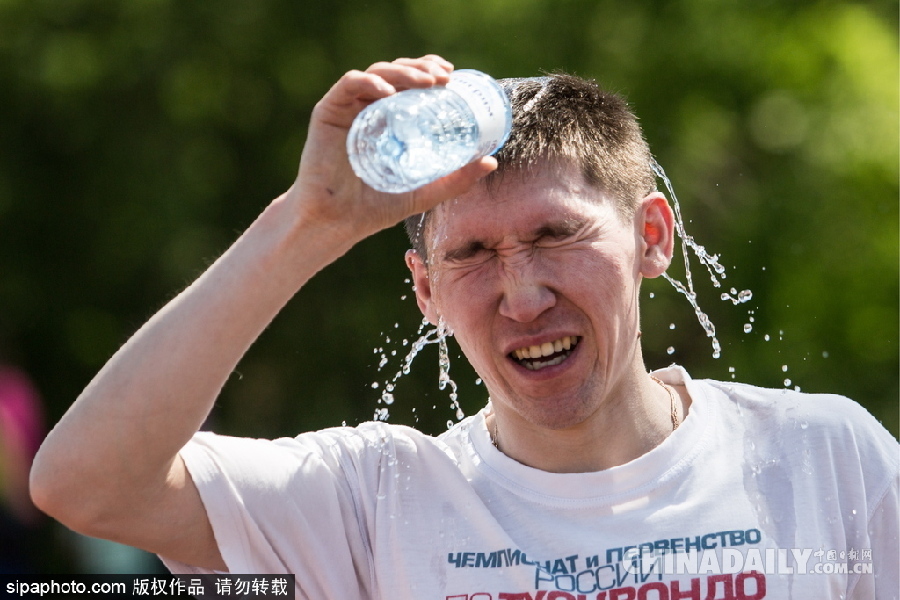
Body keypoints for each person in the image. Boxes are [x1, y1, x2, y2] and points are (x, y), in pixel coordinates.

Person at [30, 55, 898, 599]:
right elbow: (85, 484)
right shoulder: (375, 502)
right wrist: (310, 224)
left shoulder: (823, 459)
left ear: (652, 237)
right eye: (473, 254)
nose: (522, 297)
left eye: (557, 235)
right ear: (425, 291)